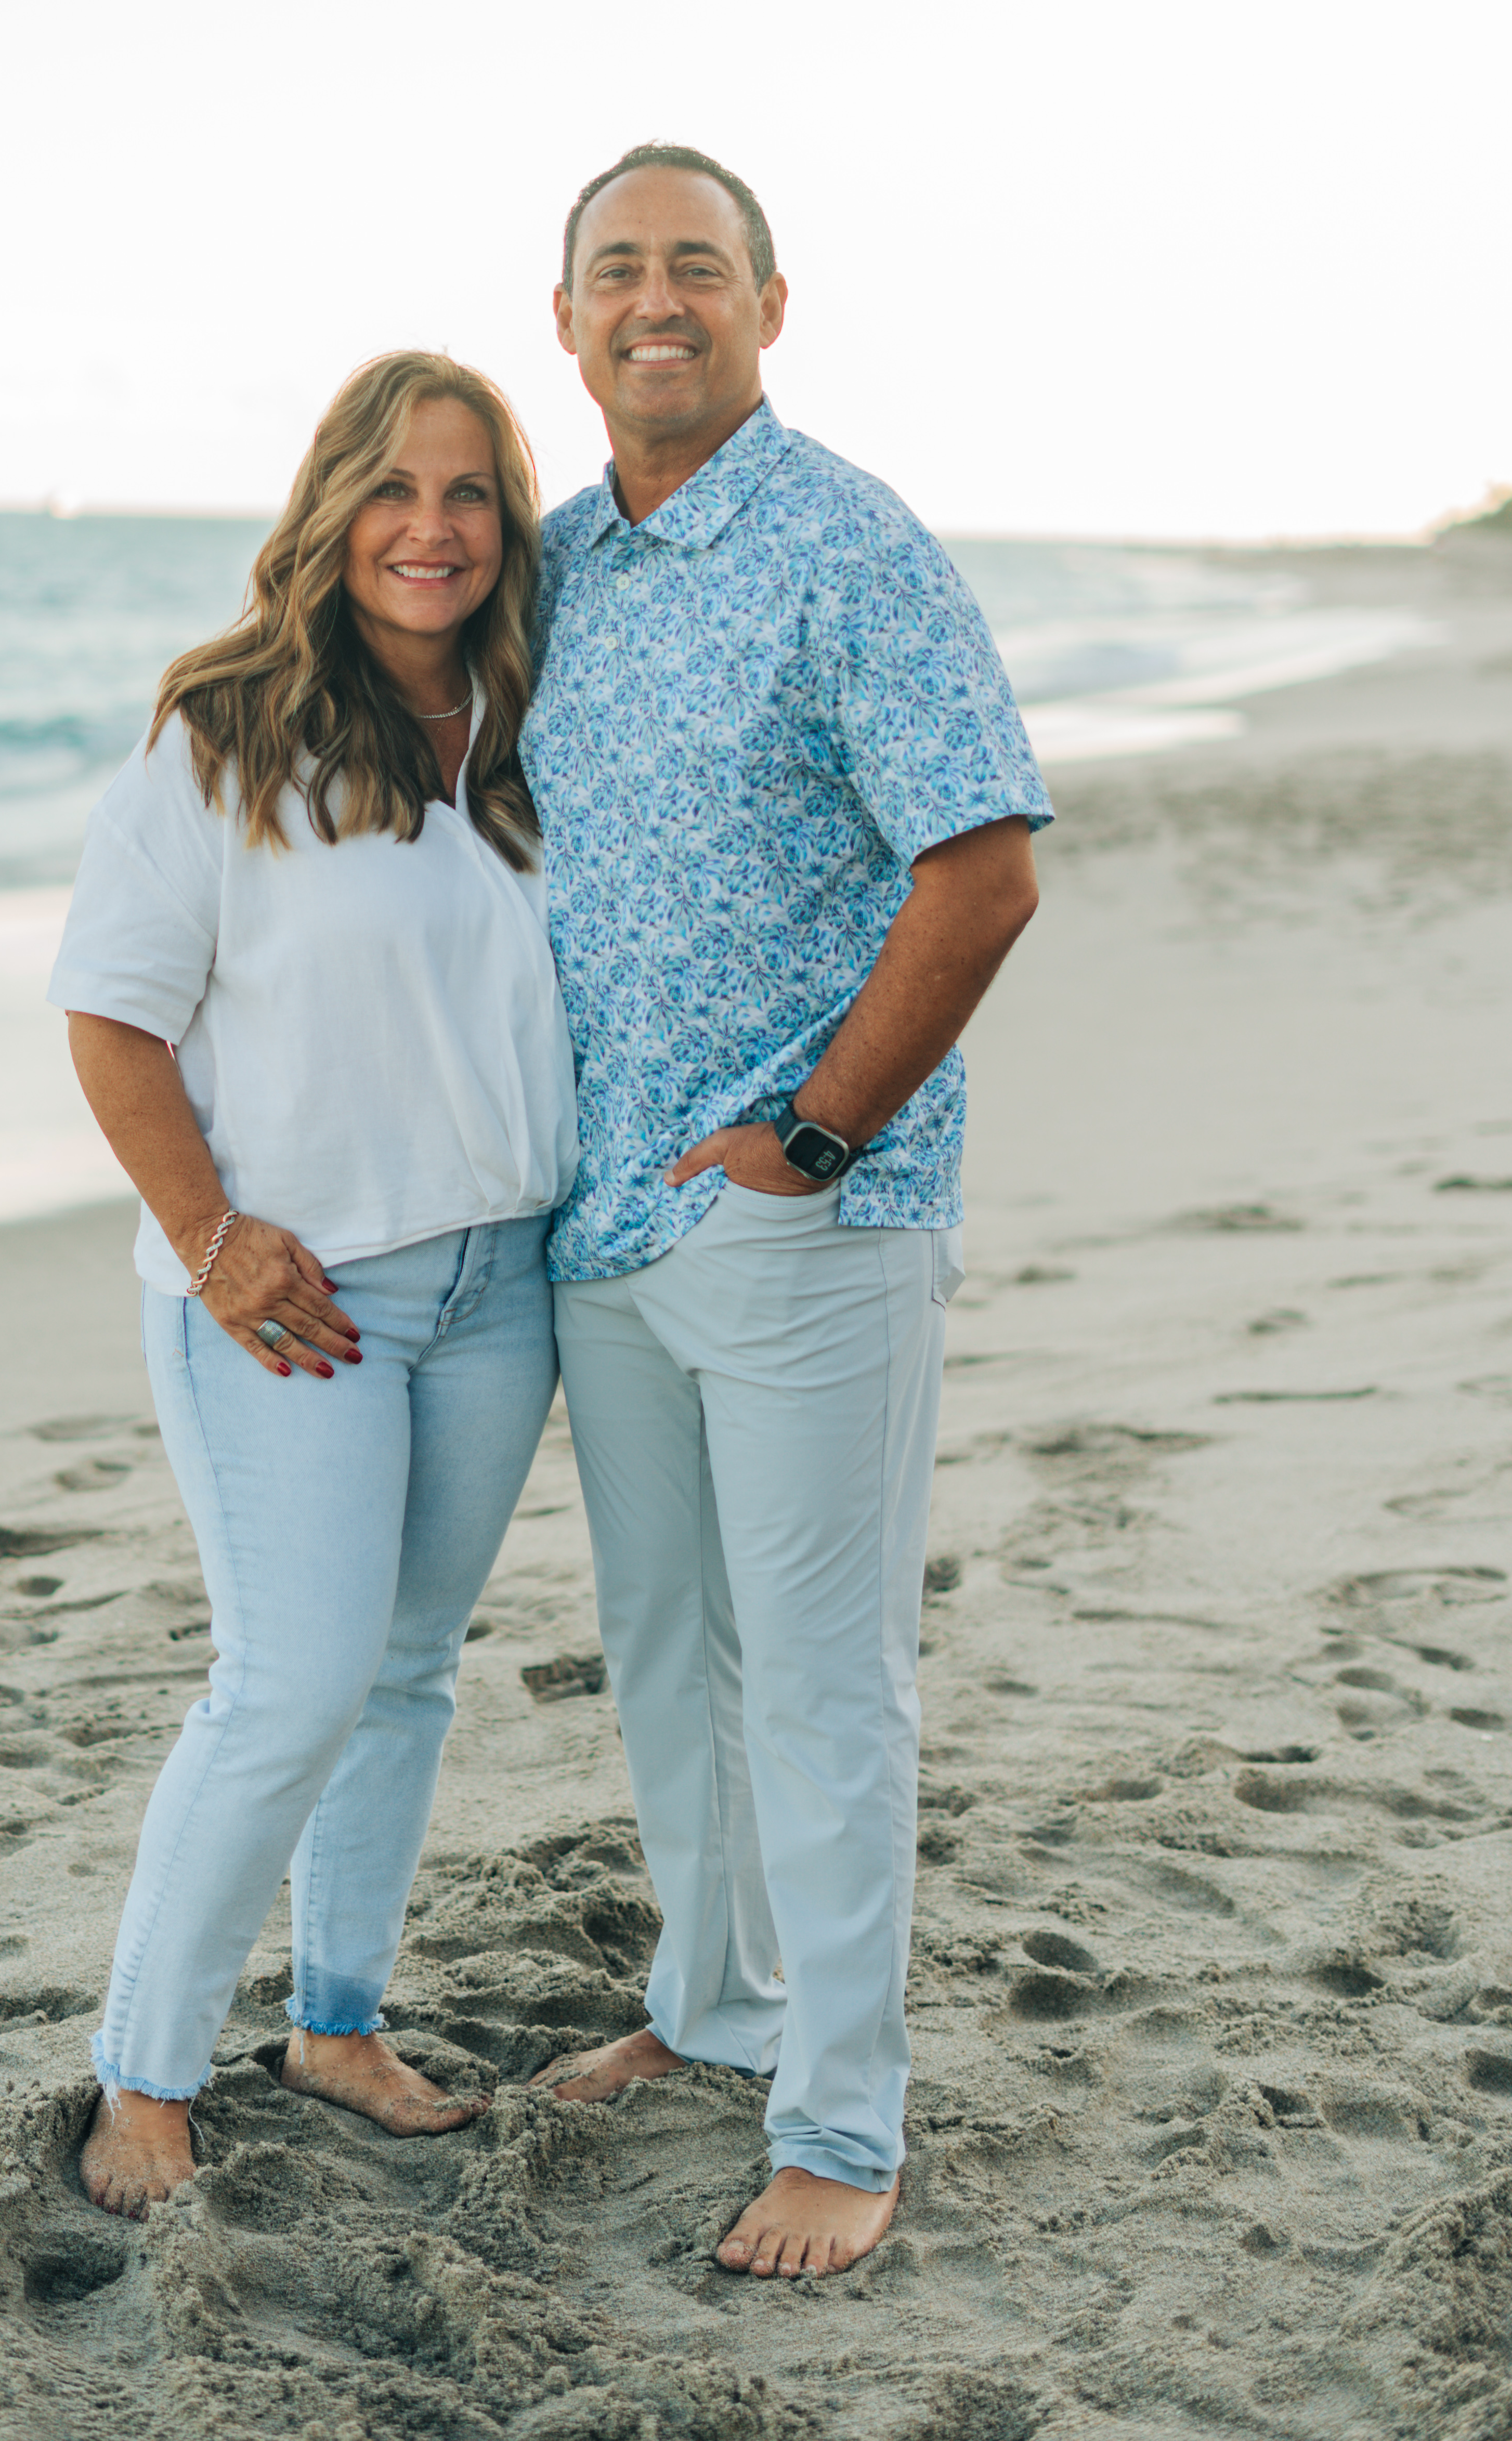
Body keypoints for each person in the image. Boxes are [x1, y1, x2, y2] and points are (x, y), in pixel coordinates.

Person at [518, 142, 1050, 2279]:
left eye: (698, 269)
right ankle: (714, 2007)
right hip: (598, 1223)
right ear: (564, 319)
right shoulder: (554, 565)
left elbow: (983, 866)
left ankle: (840, 2121)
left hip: (807, 1212)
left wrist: (816, 1136)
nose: (659, 301)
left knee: (823, 1687)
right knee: (669, 1653)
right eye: (617, 271)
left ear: (766, 304)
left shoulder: (850, 545)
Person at [48, 349, 576, 2220]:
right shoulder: (227, 728)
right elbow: (111, 1020)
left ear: (509, 526)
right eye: (395, 490)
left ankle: (339, 2026)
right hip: (289, 1294)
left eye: (470, 495)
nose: (430, 530)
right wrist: (211, 1239)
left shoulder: (533, 732)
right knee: (291, 1682)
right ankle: (145, 2078)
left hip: (502, 1284)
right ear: (333, 506)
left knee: (410, 1676)